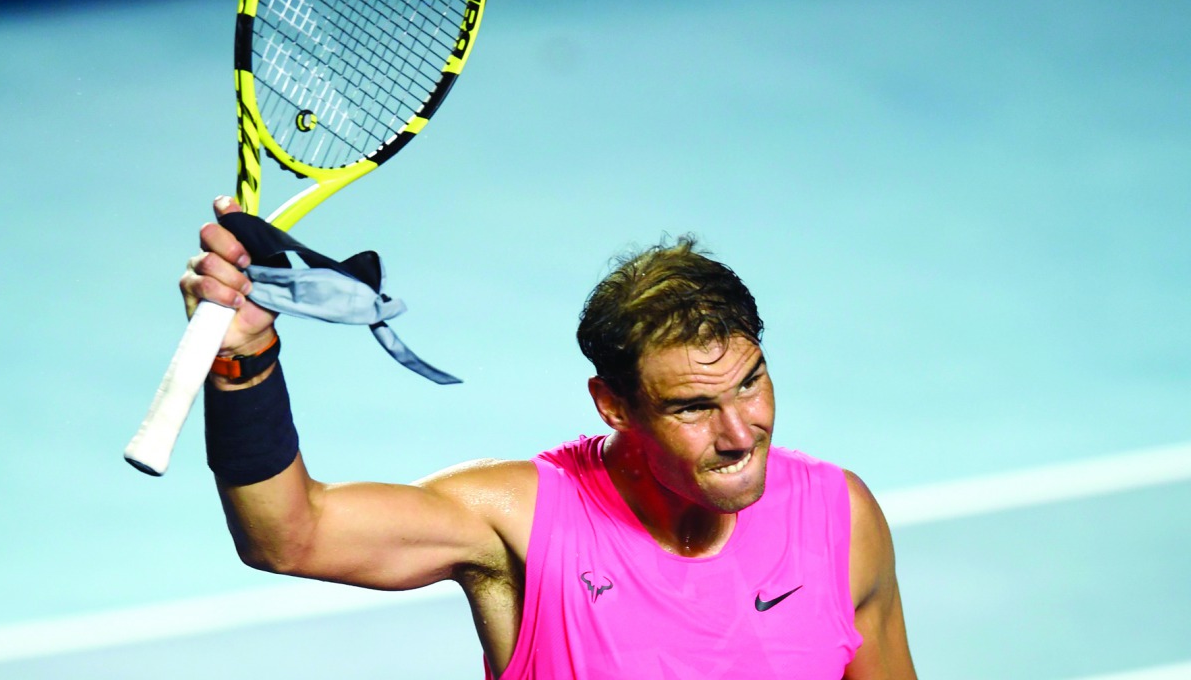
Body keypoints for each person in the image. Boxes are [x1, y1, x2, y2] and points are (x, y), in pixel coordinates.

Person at [185, 195, 917, 679]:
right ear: (614, 406)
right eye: (693, 407)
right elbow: (290, 536)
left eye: (750, 384)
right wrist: (243, 360)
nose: (739, 433)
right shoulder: (520, 522)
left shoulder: (839, 517)